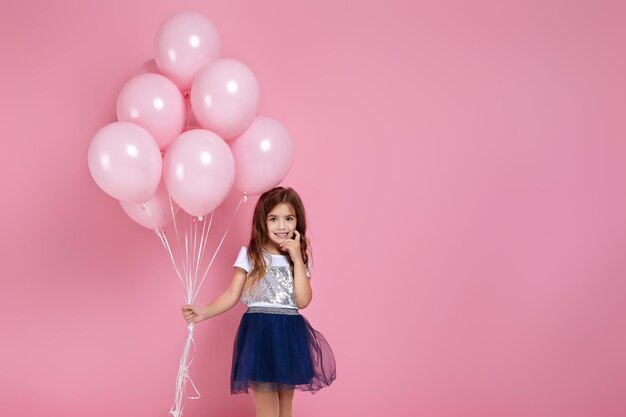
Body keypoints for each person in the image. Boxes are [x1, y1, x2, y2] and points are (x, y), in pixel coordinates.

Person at [181, 186, 336, 416]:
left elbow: (303, 301)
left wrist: (296, 259)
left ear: (297, 222)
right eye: (273, 219)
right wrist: (204, 312)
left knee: (285, 410)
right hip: (260, 335)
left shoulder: (298, 258)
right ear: (263, 221)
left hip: (289, 335)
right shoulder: (251, 254)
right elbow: (232, 294)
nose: (281, 226)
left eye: (288, 219)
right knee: (267, 411)